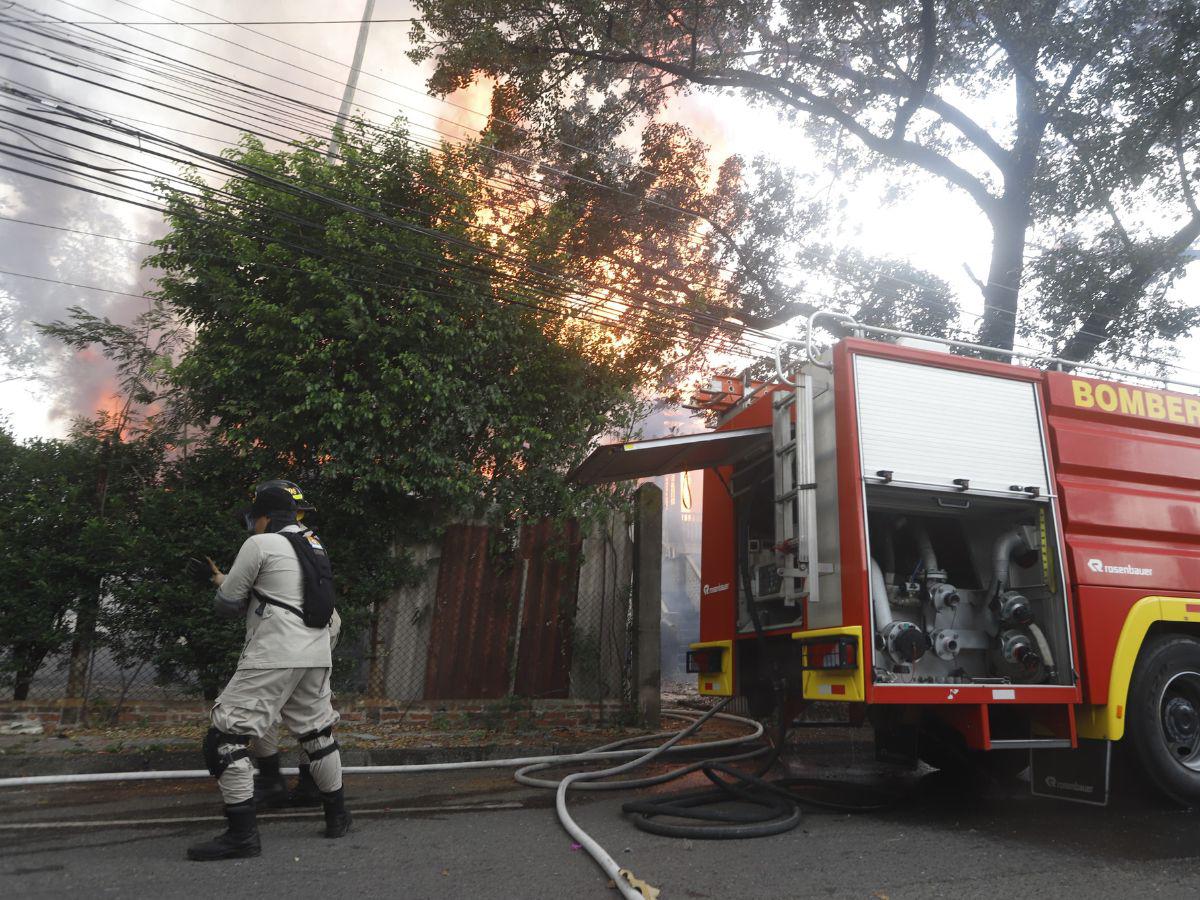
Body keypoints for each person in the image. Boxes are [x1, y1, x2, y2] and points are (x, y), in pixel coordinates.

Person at [186, 481, 351, 862]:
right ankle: (338, 816)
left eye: (254, 516)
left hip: (275, 652)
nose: (252, 523)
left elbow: (228, 605)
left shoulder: (259, 544)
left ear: (264, 515)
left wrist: (219, 587)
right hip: (315, 652)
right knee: (317, 733)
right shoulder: (312, 544)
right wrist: (218, 577)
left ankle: (242, 835)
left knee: (225, 741)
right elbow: (283, 590)